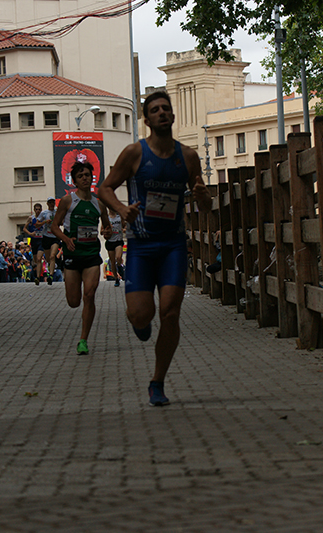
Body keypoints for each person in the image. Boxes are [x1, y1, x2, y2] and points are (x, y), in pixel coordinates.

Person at [99, 90, 212, 406]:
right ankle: (139, 321)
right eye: (155, 110)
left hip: (173, 244)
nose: (162, 113)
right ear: (147, 120)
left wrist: (203, 196)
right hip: (141, 246)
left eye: (166, 109)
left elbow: (205, 204)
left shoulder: (188, 157)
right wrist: (122, 211)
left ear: (172, 116)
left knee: (171, 312)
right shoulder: (135, 153)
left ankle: (157, 381)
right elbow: (103, 188)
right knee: (141, 314)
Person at [51, 161, 111, 355]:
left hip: (91, 255)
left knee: (90, 295)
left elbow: (107, 227)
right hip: (72, 256)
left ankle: (83, 340)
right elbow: (54, 226)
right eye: (81, 176)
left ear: (92, 177)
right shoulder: (68, 201)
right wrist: (66, 239)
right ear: (75, 181)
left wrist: (107, 232)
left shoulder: (99, 203)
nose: (85, 178)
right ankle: (82, 332)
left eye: (87, 175)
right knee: (74, 301)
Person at [23, 203, 46, 284]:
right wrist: (30, 234)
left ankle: (38, 277)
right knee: (36, 259)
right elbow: (24, 229)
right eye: (36, 209)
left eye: (39, 209)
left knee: (39, 258)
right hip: (34, 240)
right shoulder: (31, 218)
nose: (38, 211)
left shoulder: (43, 218)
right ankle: (38, 274)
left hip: (41, 240)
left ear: (41, 210)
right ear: (34, 210)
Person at [38, 197, 59, 285]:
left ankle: (51, 275)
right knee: (47, 258)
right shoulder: (44, 213)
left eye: (53, 202)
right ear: (47, 204)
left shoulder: (57, 212)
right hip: (46, 236)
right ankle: (49, 269)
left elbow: (61, 222)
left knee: (52, 256)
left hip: (55, 236)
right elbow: (37, 224)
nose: (51, 204)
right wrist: (45, 222)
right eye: (50, 202)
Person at [105, 207, 125, 286]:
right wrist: (106, 231)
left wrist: (124, 229)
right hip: (110, 241)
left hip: (118, 241)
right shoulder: (106, 218)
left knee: (118, 257)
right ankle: (116, 279)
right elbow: (101, 231)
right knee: (112, 262)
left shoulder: (119, 216)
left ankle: (120, 266)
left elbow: (124, 225)